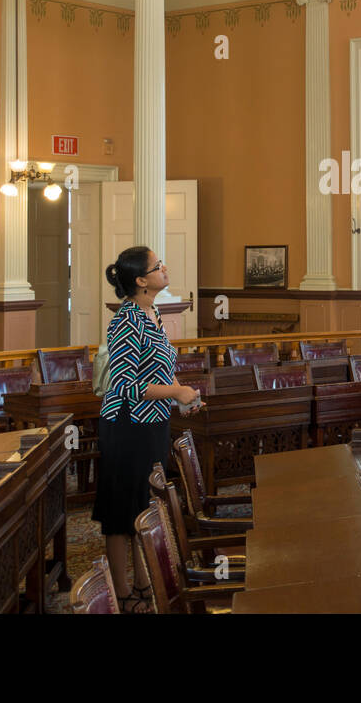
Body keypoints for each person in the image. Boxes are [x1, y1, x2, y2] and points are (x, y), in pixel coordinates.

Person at [92, 246, 199, 613]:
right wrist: (176, 392)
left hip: (152, 422)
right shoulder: (125, 321)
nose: (165, 268)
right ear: (141, 280)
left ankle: (142, 581)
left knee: (145, 504)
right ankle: (121, 594)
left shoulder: (151, 312)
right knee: (121, 511)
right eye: (158, 266)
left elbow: (156, 371)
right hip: (126, 426)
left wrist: (182, 396)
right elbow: (122, 384)